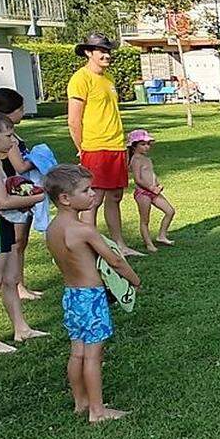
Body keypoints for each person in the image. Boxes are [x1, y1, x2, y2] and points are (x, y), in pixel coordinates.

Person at [44, 164, 141, 423]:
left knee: (77, 351)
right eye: (86, 190)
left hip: (71, 296)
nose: (93, 195)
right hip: (91, 297)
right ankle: (97, 411)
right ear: (65, 198)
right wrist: (134, 280)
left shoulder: (53, 229)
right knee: (93, 355)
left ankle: (81, 402)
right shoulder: (84, 230)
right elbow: (115, 261)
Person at [0, 111, 48, 353]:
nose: (13, 141)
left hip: (2, 223)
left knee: (11, 280)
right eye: (8, 136)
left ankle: (21, 328)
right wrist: (40, 196)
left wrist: (25, 193)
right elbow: (3, 201)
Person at [67, 33, 141, 256]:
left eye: (108, 51)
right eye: (101, 50)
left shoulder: (108, 80)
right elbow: (73, 119)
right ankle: (87, 247)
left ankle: (119, 245)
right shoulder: (80, 79)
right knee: (93, 198)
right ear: (89, 52)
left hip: (116, 146)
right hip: (95, 147)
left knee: (115, 197)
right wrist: (82, 147)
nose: (106, 55)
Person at [0, 88, 42, 299]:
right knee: (17, 242)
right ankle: (17, 286)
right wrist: (39, 158)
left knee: (21, 241)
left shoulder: (9, 135)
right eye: (20, 109)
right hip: (14, 193)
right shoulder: (7, 138)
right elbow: (20, 165)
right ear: (8, 112)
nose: (23, 112)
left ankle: (20, 284)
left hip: (18, 192)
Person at [127, 129, 176, 253]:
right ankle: (149, 244)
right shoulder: (136, 160)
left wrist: (158, 184)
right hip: (143, 193)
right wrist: (150, 188)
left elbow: (151, 173)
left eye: (148, 144)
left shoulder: (147, 159)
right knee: (145, 220)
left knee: (170, 211)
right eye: (143, 144)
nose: (147, 147)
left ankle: (162, 235)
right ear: (134, 146)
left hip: (154, 191)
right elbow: (138, 179)